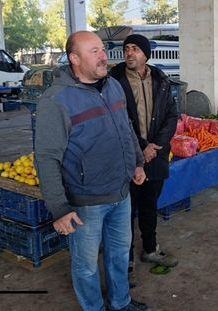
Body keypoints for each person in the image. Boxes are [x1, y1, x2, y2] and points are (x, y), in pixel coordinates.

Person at [34, 31, 150, 311]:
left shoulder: (113, 86)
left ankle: (121, 303)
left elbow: (126, 128)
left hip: (121, 192)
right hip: (86, 202)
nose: (103, 57)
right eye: (94, 51)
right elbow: (46, 158)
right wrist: (59, 209)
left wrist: (136, 161)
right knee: (86, 266)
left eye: (102, 49)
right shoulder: (56, 101)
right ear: (74, 59)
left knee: (119, 255)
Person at [110, 34, 179, 288]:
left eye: (135, 49)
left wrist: (156, 145)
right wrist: (142, 149)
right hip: (128, 157)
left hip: (156, 156)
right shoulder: (113, 81)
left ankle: (150, 249)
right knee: (125, 213)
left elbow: (172, 115)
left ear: (145, 54)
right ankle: (125, 262)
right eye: (126, 49)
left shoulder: (160, 79)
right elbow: (118, 121)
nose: (129, 53)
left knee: (150, 205)